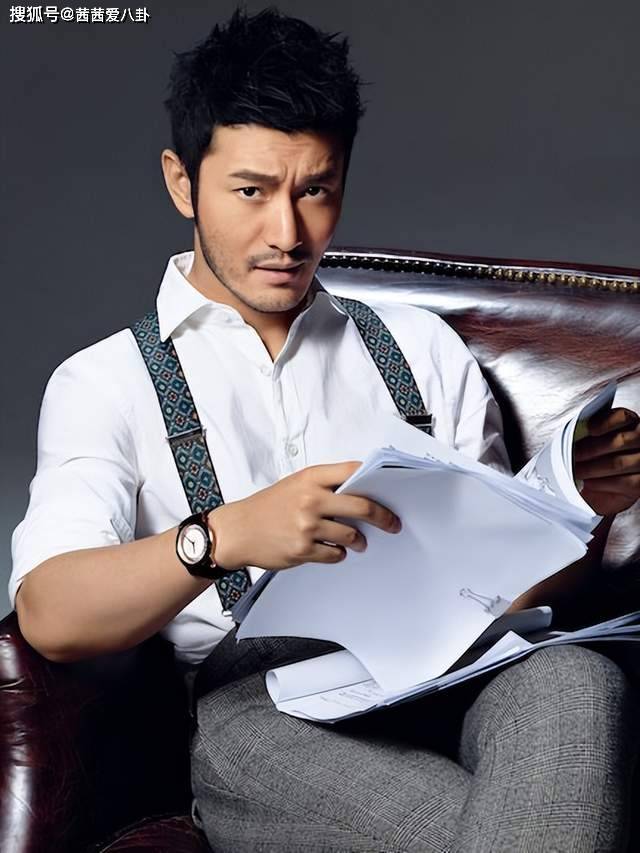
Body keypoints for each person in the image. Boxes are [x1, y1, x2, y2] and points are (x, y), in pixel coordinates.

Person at [9, 8, 640, 852]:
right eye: (251, 191)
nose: (288, 233)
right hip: (264, 713)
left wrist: (578, 509)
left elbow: (510, 594)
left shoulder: (420, 347)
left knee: (575, 679)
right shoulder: (106, 381)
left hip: (458, 675)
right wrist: (225, 535)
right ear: (181, 182)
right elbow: (50, 613)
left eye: (316, 189)